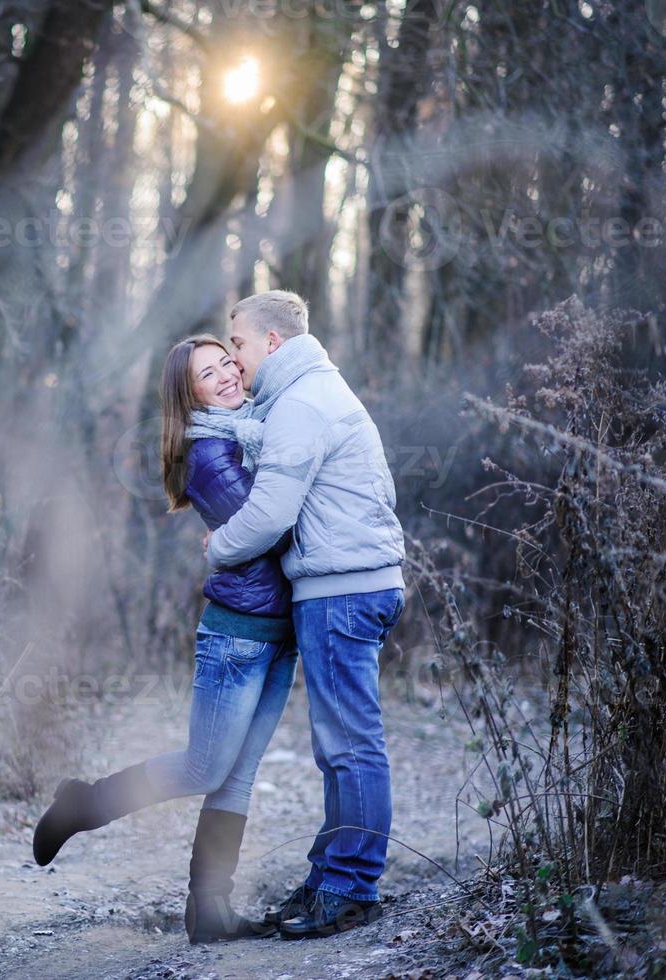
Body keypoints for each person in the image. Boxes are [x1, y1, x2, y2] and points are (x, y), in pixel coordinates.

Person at [31, 333, 297, 944]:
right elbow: (271, 527)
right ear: (190, 394)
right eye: (210, 373)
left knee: (236, 775)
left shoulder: (246, 431)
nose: (229, 374)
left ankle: (210, 910)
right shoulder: (209, 452)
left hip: (279, 634)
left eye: (229, 361)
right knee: (205, 767)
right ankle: (83, 804)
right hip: (238, 638)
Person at [200, 290, 406, 939]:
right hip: (340, 584)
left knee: (348, 745)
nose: (233, 358)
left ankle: (350, 887)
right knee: (337, 745)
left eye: (236, 343)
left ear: (271, 342)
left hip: (341, 590)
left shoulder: (301, 403)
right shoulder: (307, 395)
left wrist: (217, 548)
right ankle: (329, 877)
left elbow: (268, 514)